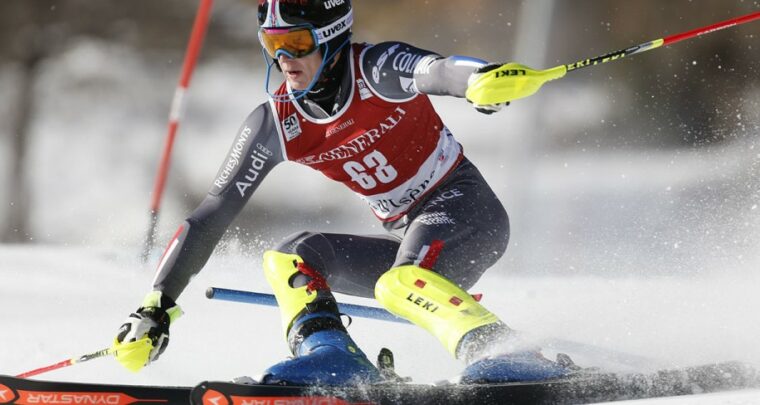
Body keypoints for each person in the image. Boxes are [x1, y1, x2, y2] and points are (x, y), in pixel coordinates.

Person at [113, 0, 572, 385]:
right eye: (273, 44)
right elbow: (213, 211)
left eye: (297, 42)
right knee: (289, 258)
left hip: (467, 210)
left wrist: (478, 80)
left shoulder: (376, 70)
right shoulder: (276, 124)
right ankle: (333, 359)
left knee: (401, 281)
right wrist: (157, 304)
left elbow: (438, 70)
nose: (284, 59)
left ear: (331, 39)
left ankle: (509, 354)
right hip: (412, 239)